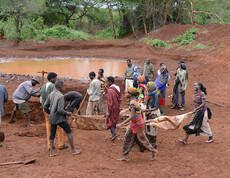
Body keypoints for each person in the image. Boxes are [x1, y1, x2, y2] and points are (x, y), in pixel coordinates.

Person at [116, 87, 158, 161]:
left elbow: (131, 115)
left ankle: (154, 151)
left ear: (130, 94)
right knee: (130, 138)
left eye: (126, 92)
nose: (125, 94)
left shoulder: (132, 103)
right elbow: (140, 111)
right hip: (136, 123)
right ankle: (126, 155)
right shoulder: (135, 101)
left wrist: (121, 124)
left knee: (142, 140)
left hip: (137, 124)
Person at [44, 80, 81, 157]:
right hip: (60, 118)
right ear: (60, 86)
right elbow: (60, 110)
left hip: (52, 118)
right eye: (63, 86)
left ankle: (51, 152)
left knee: (52, 134)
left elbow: (45, 106)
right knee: (69, 131)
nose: (63, 87)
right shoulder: (61, 96)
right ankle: (73, 150)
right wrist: (67, 113)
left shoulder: (51, 94)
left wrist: (51, 113)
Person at [40, 72, 68, 150]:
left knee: (48, 127)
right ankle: (61, 144)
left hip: (45, 110)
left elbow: (41, 99)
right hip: (53, 111)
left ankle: (50, 145)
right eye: (55, 78)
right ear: (52, 78)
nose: (56, 80)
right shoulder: (53, 87)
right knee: (59, 127)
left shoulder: (43, 87)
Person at [144, 82, 161, 147]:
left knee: (153, 128)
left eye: (148, 87)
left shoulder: (155, 95)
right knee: (148, 127)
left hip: (154, 113)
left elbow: (156, 107)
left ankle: (153, 143)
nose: (147, 88)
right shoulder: (149, 94)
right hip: (149, 112)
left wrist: (147, 110)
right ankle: (149, 142)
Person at [106, 76, 122, 141]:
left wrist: (108, 111)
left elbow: (110, 102)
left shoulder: (110, 90)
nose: (106, 83)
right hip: (117, 106)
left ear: (110, 82)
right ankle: (113, 134)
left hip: (112, 107)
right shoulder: (118, 88)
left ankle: (114, 134)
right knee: (115, 119)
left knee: (110, 120)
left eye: (107, 82)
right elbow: (120, 97)